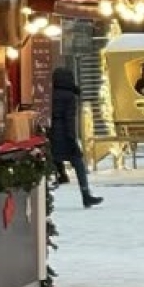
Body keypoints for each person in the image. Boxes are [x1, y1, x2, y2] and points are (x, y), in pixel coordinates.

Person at [49, 64, 102, 208]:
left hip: (52, 134)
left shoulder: (51, 94)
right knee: (78, 163)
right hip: (65, 135)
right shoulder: (69, 97)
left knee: (52, 160)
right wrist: (72, 139)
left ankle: (59, 179)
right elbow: (69, 119)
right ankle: (86, 195)